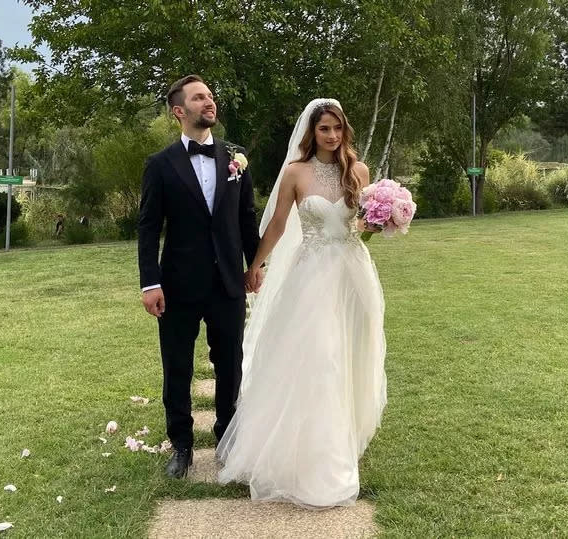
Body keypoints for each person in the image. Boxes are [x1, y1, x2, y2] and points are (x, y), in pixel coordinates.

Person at [216, 99, 387, 508]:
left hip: (353, 274)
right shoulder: (295, 172)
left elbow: (361, 223)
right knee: (320, 357)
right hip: (312, 276)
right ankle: (317, 459)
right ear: (312, 133)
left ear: (345, 131)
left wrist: (384, 220)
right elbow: (277, 225)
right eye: (324, 128)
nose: (331, 136)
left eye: (337, 128)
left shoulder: (357, 170)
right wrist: (255, 264)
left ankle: (342, 436)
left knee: (348, 354)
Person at [138, 75, 261, 479]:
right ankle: (182, 446)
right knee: (177, 366)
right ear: (179, 110)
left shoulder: (235, 159)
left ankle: (228, 437)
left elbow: (246, 218)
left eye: (210, 95)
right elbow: (148, 227)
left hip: (227, 281)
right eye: (199, 97)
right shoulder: (159, 165)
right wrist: (150, 283)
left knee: (231, 363)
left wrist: (255, 264)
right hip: (177, 284)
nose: (209, 102)